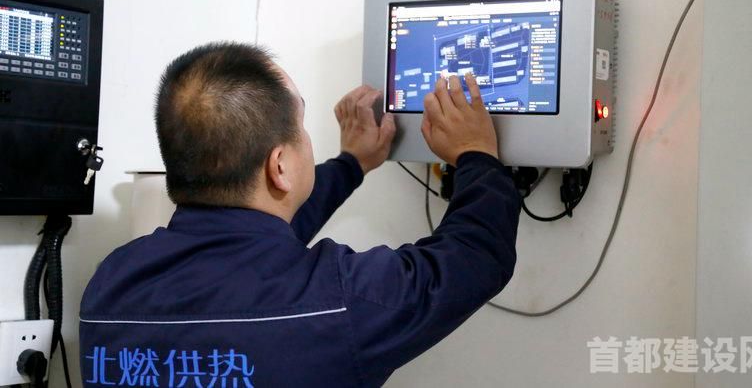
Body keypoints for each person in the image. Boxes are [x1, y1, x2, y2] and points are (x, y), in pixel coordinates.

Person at [79, 42, 521, 387]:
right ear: (280, 166)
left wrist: (352, 163)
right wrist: (476, 154)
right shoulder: (339, 301)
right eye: (301, 128)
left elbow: (258, 237)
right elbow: (476, 256)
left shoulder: (109, 284)